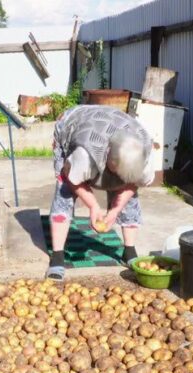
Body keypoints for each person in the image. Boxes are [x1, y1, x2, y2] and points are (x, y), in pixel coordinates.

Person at [46, 104, 154, 281]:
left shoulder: (144, 153)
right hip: (73, 124)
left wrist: (115, 210)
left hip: (112, 123)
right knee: (64, 192)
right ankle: (57, 257)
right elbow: (70, 178)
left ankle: (129, 252)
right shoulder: (85, 153)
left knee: (129, 198)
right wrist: (93, 206)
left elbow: (135, 184)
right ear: (109, 160)